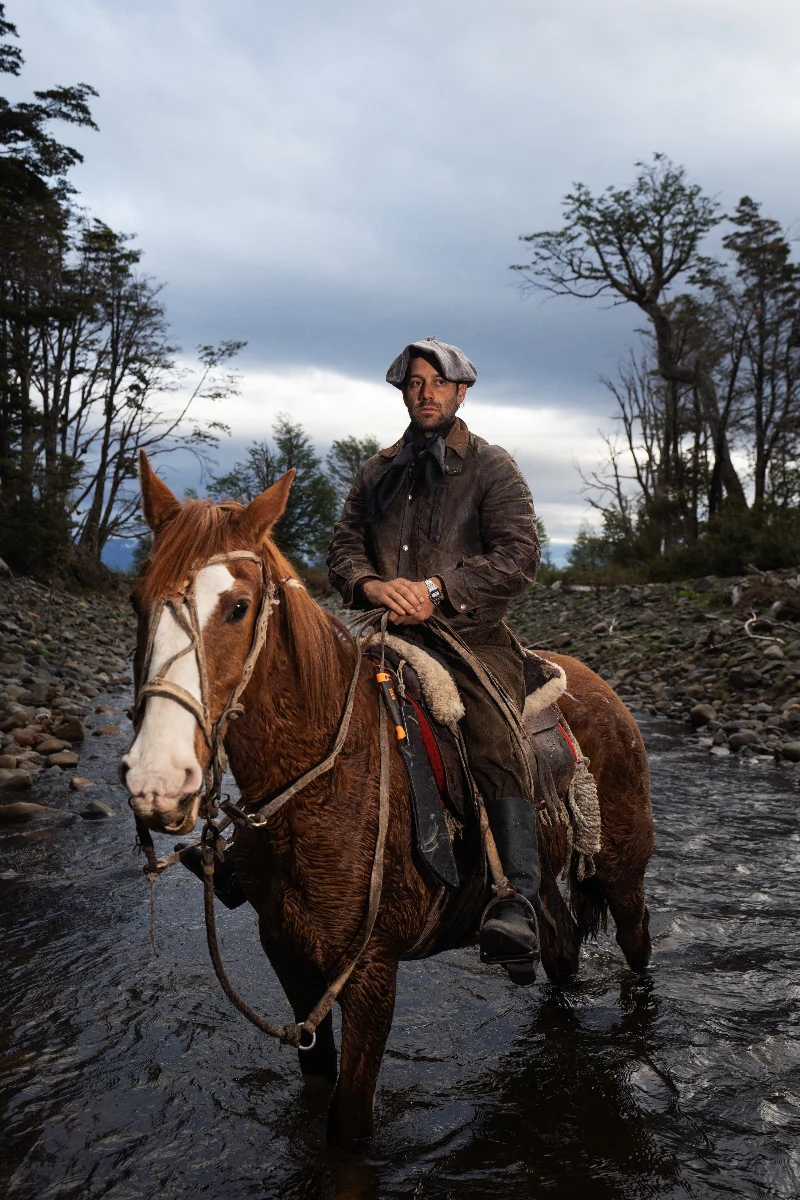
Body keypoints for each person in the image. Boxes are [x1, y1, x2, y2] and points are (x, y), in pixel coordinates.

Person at [327, 336, 543, 981]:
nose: (425, 393)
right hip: (379, 626)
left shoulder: (492, 466)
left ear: (460, 391)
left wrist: (437, 589)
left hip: (468, 634)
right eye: (414, 383)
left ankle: (520, 897)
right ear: (404, 391)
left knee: (492, 734)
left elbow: (518, 555)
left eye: (436, 383)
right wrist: (370, 586)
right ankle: (252, 849)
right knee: (299, 695)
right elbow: (344, 548)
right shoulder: (377, 469)